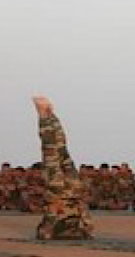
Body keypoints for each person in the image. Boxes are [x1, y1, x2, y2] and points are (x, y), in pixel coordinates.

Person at [32, 97, 94, 240]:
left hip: (73, 191)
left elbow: (88, 224)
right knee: (52, 150)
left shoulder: (79, 226)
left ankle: (50, 115)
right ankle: (44, 114)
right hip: (59, 191)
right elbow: (45, 233)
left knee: (61, 150)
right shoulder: (53, 225)